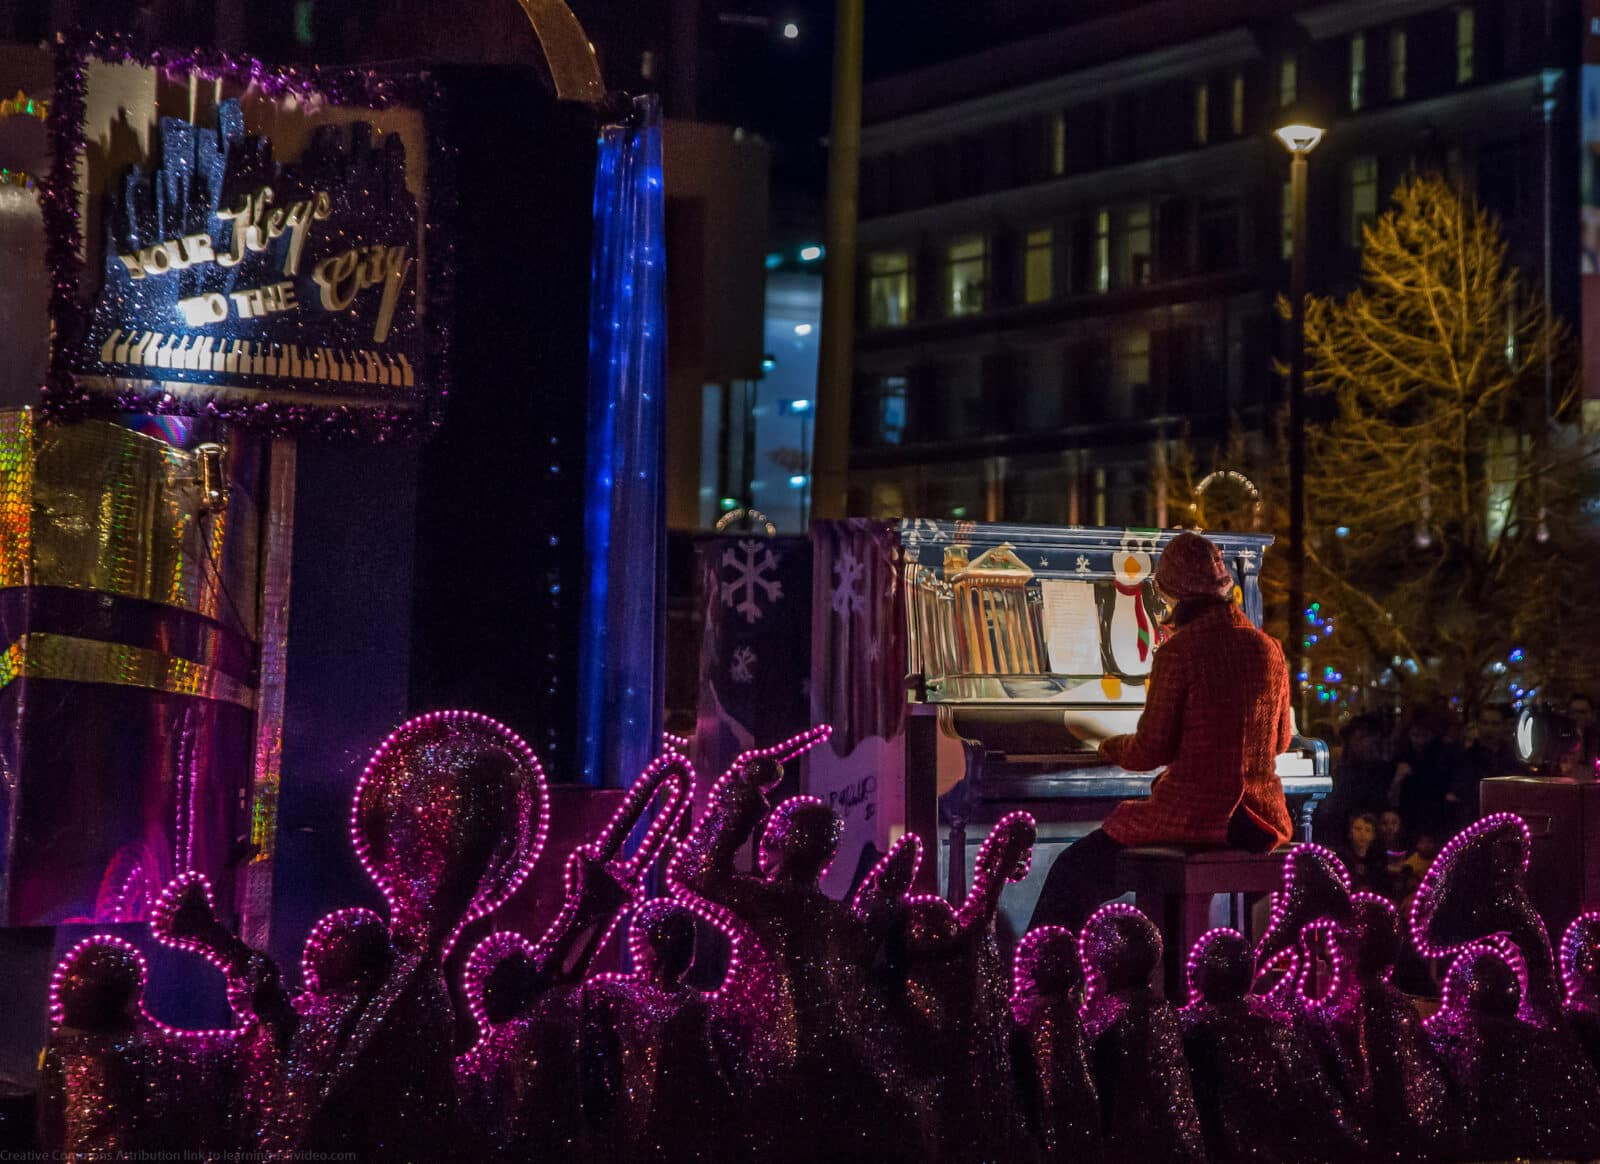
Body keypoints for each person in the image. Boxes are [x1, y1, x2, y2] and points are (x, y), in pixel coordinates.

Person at [1029, 531, 1293, 931]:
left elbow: (1148, 750)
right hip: (1258, 820)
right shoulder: (1268, 648)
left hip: (1197, 818)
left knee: (1072, 869)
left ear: (1174, 594)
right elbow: (1280, 742)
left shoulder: (1180, 651)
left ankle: (1044, 980)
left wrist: (1106, 743)